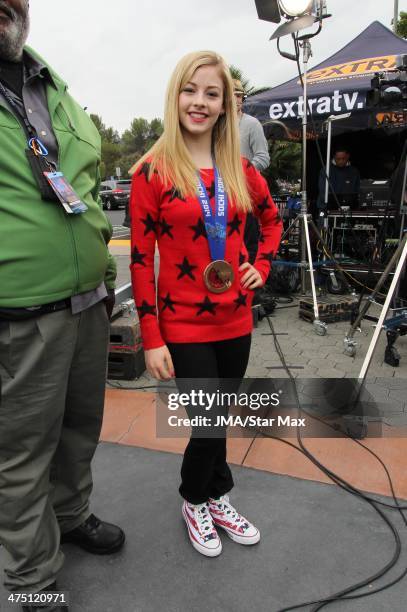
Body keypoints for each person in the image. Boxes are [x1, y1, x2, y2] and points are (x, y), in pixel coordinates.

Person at [130, 51, 282, 557]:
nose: (199, 101)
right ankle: (196, 498)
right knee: (209, 420)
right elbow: (138, 261)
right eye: (190, 90)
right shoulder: (151, 172)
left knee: (221, 414)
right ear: (176, 96)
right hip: (183, 324)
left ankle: (218, 494)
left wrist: (261, 265)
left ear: (225, 107)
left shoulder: (238, 169)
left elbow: (273, 219)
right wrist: (151, 338)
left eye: (211, 93)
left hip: (236, 317)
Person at [0, 2, 124, 610]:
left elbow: (87, 188)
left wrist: (104, 273)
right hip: (17, 315)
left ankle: (70, 515)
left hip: (87, 303)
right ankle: (32, 580)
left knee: (81, 428)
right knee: (22, 452)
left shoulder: (54, 86)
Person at [233, 79, 270, 264]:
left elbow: (263, 157)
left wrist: (242, 174)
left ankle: (252, 290)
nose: (236, 100)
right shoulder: (214, 125)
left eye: (239, 96)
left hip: (245, 195)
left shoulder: (252, 124)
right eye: (231, 96)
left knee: (249, 244)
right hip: (218, 196)